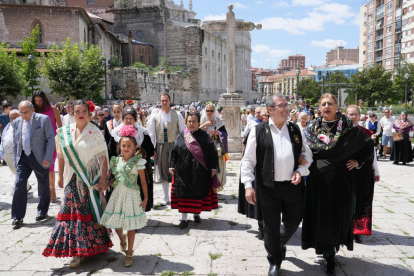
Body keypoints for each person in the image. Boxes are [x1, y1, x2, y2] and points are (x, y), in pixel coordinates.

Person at [301, 94, 374, 276]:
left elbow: (366, 146)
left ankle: (333, 251)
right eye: (323, 104)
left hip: (342, 179)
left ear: (336, 106)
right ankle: (327, 253)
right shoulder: (312, 127)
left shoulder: (348, 126)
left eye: (330, 104)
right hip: (319, 179)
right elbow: (306, 150)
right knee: (321, 216)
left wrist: (358, 162)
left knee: (338, 215)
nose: (327, 106)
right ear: (319, 107)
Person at [241, 95, 313, 276]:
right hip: (267, 188)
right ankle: (274, 260)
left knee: (294, 220)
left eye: (286, 105)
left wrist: (301, 170)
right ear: (270, 110)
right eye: (282, 106)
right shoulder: (258, 131)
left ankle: (278, 242)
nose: (286, 108)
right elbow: (248, 160)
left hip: (292, 186)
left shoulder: (295, 129)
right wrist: (248, 185)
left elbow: (307, 155)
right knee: (270, 226)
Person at [42, 100, 113, 267]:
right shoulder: (64, 132)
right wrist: (60, 176)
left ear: (89, 113)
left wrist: (103, 178)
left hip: (89, 178)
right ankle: (76, 251)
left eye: (83, 110)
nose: (80, 113)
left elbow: (102, 157)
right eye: (77, 111)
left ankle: (92, 246)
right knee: (69, 212)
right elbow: (60, 154)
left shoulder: (94, 132)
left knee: (87, 210)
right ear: (71, 112)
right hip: (71, 178)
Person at [101, 125, 148, 267]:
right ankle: (122, 239)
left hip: (132, 196)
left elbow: (144, 182)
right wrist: (108, 183)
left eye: (129, 145)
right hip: (117, 195)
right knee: (116, 223)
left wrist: (145, 198)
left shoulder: (138, 162)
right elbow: (117, 177)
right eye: (123, 145)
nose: (126, 148)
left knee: (131, 225)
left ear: (135, 148)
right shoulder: (116, 161)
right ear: (119, 147)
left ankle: (129, 252)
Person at [169, 112, 219, 228]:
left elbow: (213, 153)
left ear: (198, 123)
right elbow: (174, 152)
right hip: (183, 172)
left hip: (199, 172)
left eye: (194, 121)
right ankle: (184, 218)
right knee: (183, 195)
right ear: (186, 122)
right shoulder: (181, 136)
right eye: (189, 121)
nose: (191, 124)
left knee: (197, 193)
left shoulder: (205, 137)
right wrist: (172, 165)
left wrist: (213, 168)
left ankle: (196, 213)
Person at [11, 101, 55, 229]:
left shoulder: (43, 119)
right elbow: (16, 142)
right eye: (21, 112)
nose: (23, 115)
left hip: (40, 158)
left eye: (26, 112)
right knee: (19, 184)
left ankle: (42, 211)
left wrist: (48, 157)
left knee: (43, 183)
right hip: (23, 158)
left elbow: (50, 138)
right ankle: (17, 217)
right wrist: (15, 160)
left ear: (32, 110)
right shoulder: (17, 122)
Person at [346, 105, 379, 244]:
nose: (353, 117)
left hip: (363, 171)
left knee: (361, 200)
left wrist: (375, 171)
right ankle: (345, 228)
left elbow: (373, 154)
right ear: (345, 115)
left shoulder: (366, 132)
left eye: (355, 114)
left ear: (360, 116)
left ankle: (358, 230)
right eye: (350, 114)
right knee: (347, 201)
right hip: (346, 171)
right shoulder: (341, 132)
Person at [111, 106, 155, 211]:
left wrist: (142, 153)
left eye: (131, 118)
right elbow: (111, 150)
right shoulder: (116, 133)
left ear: (135, 119)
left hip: (139, 169)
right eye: (126, 118)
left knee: (140, 189)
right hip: (123, 168)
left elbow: (150, 150)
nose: (129, 120)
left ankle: (140, 212)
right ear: (123, 119)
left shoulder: (142, 132)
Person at [147, 93, 185, 206]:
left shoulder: (177, 115)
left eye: (166, 100)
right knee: (163, 171)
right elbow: (151, 134)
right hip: (161, 145)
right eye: (162, 100)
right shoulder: (155, 116)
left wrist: (182, 147)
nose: (164, 102)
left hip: (174, 144)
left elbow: (182, 132)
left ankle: (177, 195)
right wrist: (152, 149)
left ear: (170, 101)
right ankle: (166, 197)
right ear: (160, 102)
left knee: (176, 170)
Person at [32, 90, 62, 203]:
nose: (39, 102)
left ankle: (53, 190)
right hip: (38, 143)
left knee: (50, 167)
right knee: (40, 168)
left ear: (44, 99)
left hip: (51, 142)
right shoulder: (33, 110)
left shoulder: (53, 109)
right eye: (36, 100)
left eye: (40, 100)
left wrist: (58, 142)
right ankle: (46, 190)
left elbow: (60, 127)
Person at [0, 110, 32, 193]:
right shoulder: (8, 126)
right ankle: (26, 186)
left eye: (15, 117)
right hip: (7, 154)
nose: (13, 119)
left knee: (20, 173)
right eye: (11, 118)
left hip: (18, 154)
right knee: (15, 172)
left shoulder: (24, 126)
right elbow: (4, 138)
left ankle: (20, 189)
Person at [200, 103, 229, 190]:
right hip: (203, 148)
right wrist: (205, 124)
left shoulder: (218, 121)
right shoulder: (202, 119)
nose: (209, 113)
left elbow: (225, 133)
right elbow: (194, 131)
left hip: (215, 148)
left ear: (214, 111)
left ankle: (215, 188)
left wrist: (218, 133)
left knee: (216, 169)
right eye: (207, 111)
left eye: (211, 111)